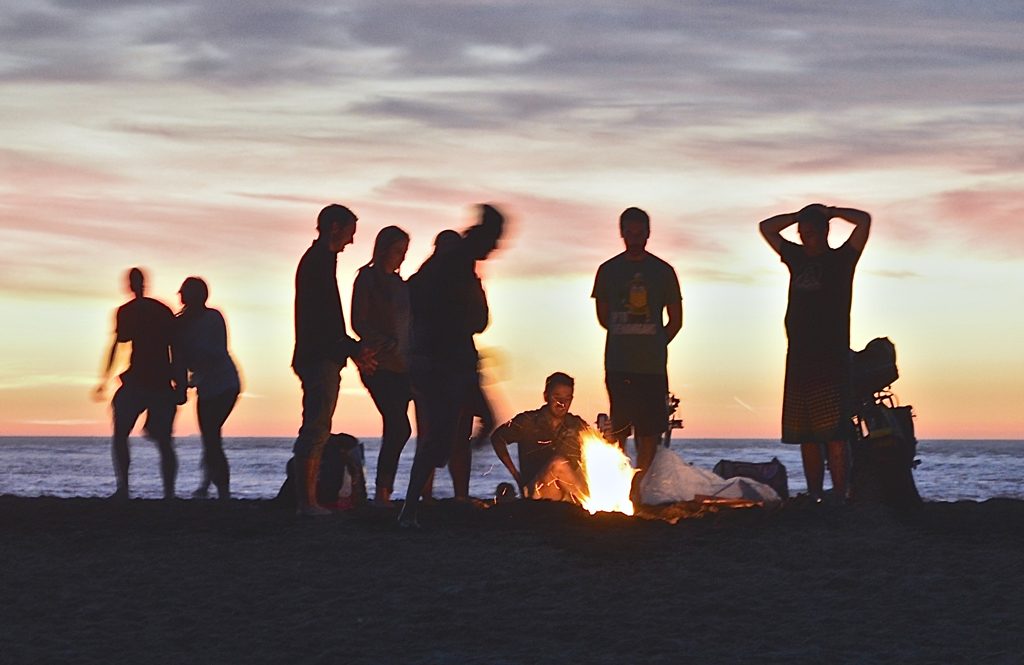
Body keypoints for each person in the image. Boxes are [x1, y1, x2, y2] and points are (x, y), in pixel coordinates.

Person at [398, 204, 505, 528]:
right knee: (441, 440)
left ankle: (416, 503)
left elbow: (477, 319)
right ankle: (410, 508)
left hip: (454, 361)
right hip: (445, 363)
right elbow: (476, 318)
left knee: (481, 424)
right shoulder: (455, 263)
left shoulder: (454, 266)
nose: (497, 248)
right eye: (495, 239)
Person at [759, 203, 871, 503]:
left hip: (831, 356)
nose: (806, 238)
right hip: (798, 356)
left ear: (824, 232)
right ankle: (816, 493)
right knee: (805, 433)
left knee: (835, 433)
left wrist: (831, 211)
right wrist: (797, 215)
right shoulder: (795, 257)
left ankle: (841, 493)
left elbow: (864, 221)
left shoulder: (842, 260)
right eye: (802, 233)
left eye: (811, 232)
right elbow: (766, 227)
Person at [291, 204, 377, 516]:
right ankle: (307, 503)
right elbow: (324, 320)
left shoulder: (321, 262)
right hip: (319, 356)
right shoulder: (317, 263)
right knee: (316, 427)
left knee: (317, 426)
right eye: (350, 234)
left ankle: (308, 501)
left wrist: (350, 350)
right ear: (335, 228)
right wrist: (351, 349)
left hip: (321, 354)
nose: (351, 242)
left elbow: (328, 321)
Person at [591, 207, 682, 499]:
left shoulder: (663, 271)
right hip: (619, 363)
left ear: (648, 233)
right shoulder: (608, 270)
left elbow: (676, 320)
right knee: (620, 429)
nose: (634, 238)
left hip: (652, 367)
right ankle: (619, 485)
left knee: (650, 431)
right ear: (621, 233)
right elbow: (603, 316)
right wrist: (627, 333)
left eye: (639, 233)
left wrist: (656, 342)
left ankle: (638, 490)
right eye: (628, 233)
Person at [95, 267, 186, 500]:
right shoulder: (149, 310)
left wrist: (181, 383)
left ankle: (159, 492)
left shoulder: (145, 310)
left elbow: (175, 347)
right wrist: (104, 379)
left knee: (158, 439)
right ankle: (131, 488)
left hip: (154, 381)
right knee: (132, 436)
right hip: (144, 380)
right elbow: (119, 344)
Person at [351, 226, 413, 506]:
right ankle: (382, 493)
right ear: (384, 249)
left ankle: (385, 493)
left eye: (404, 252)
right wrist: (381, 341)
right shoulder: (367, 279)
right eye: (398, 251)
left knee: (398, 426)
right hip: (378, 363)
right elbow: (358, 321)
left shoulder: (402, 286)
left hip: (404, 364)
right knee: (398, 426)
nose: (401, 257)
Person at [176, 276, 241, 501]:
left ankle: (222, 490)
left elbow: (216, 351)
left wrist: (188, 380)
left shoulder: (213, 317)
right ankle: (207, 485)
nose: (180, 296)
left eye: (184, 292)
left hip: (224, 384)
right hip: (206, 386)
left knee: (212, 437)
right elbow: (181, 358)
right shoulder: (182, 323)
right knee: (210, 437)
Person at [490, 372, 591, 502]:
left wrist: (607, 433)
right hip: (539, 491)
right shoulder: (528, 422)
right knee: (558, 464)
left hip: (570, 492)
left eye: (567, 398)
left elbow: (600, 447)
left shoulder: (576, 424)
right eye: (557, 397)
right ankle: (593, 504)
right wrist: (516, 476)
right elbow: (497, 438)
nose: (562, 403)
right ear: (546, 396)